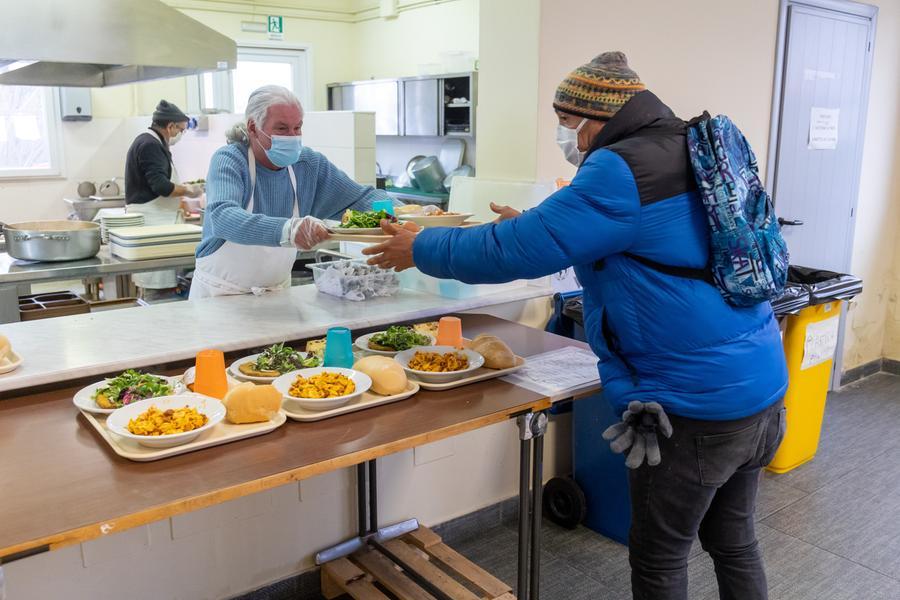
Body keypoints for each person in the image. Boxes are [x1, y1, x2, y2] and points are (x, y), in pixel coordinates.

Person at [363, 52, 788, 600]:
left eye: (568, 124)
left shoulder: (621, 166)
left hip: (692, 406)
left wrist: (419, 246)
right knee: (734, 542)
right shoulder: (687, 145)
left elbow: (509, 252)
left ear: (597, 117)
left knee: (660, 558)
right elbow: (638, 244)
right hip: (759, 387)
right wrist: (540, 229)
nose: (568, 137)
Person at [190, 85, 395, 299]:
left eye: (297, 128)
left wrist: (405, 213)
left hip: (277, 297)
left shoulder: (308, 165)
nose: (292, 136)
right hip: (219, 297)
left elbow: (360, 198)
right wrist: (288, 230)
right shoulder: (231, 160)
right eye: (282, 129)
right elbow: (223, 217)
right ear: (252, 127)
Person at [124, 100, 203, 292]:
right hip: (153, 222)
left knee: (159, 281)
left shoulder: (150, 142)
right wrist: (188, 190)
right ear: (170, 126)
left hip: (158, 220)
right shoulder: (150, 145)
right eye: (181, 130)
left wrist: (181, 200)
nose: (180, 135)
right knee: (156, 285)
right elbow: (161, 186)